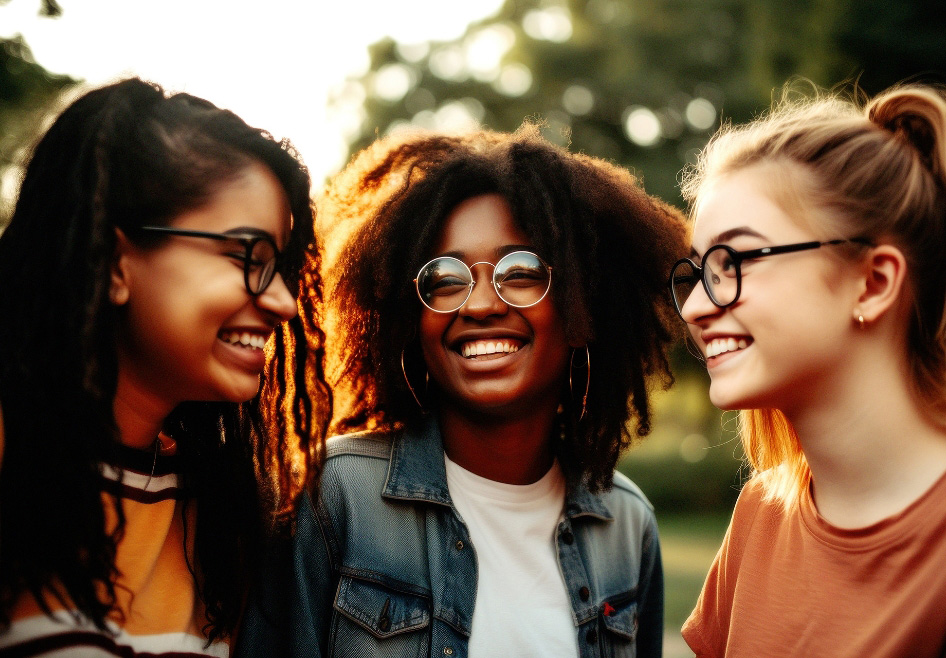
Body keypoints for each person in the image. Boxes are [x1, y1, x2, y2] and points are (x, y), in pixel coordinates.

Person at [235, 125, 688, 658]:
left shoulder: (627, 524)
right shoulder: (331, 497)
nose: (478, 305)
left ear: (584, 307)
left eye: (519, 271)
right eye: (445, 280)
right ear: (407, 318)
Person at [0, 77, 329, 656]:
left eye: (281, 266)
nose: (281, 300)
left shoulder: (220, 513)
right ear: (115, 261)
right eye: (247, 256)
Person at [672, 83, 946, 657]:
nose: (696, 306)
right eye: (696, 272)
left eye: (734, 261)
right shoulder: (760, 515)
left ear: (873, 282)